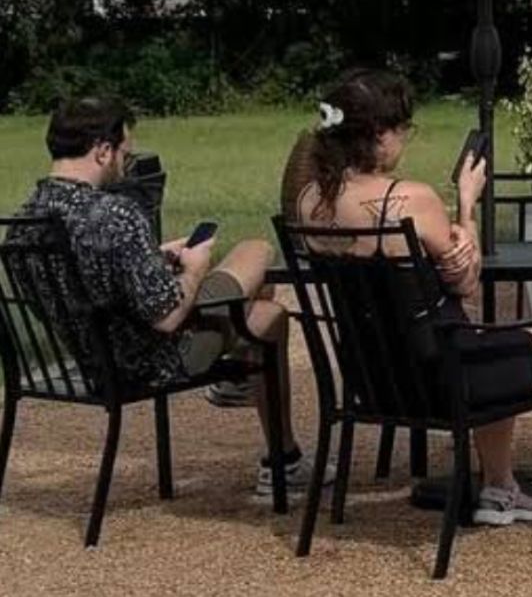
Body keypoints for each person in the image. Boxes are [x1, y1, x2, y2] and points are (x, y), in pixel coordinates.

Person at [291, 71, 532, 543]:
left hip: (375, 381)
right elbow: (465, 282)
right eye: (403, 129)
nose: (404, 139)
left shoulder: (308, 202)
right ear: (379, 135)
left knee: (489, 340)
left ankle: (499, 489)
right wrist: (467, 205)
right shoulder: (409, 199)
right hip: (447, 378)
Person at [14, 95, 312, 498]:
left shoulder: (23, 221)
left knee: (260, 309)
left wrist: (150, 260)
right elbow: (168, 317)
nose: (125, 163)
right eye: (124, 153)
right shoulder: (115, 214)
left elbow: (72, 284)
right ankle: (280, 456)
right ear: (102, 150)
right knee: (258, 264)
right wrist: (194, 267)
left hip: (92, 362)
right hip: (153, 360)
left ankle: (255, 405)